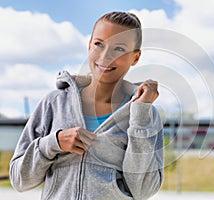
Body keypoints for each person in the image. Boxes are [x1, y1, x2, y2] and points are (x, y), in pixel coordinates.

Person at [10, 11, 164, 200]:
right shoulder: (54, 103)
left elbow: (144, 191)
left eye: (119, 49)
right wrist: (54, 142)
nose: (106, 56)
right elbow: (19, 180)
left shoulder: (145, 114)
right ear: (89, 45)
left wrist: (141, 115)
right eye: (99, 44)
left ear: (135, 57)